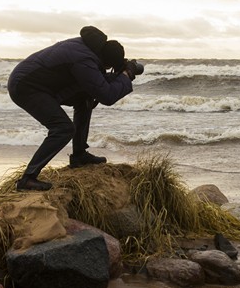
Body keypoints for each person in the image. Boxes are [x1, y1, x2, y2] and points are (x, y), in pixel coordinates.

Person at [8, 26, 141, 191]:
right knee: (63, 129)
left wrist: (117, 75)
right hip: (26, 86)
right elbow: (107, 96)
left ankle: (79, 155)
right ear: (105, 60)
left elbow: (95, 81)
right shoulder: (84, 60)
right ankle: (27, 178)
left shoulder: (89, 48)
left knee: (85, 98)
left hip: (40, 83)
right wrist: (126, 75)